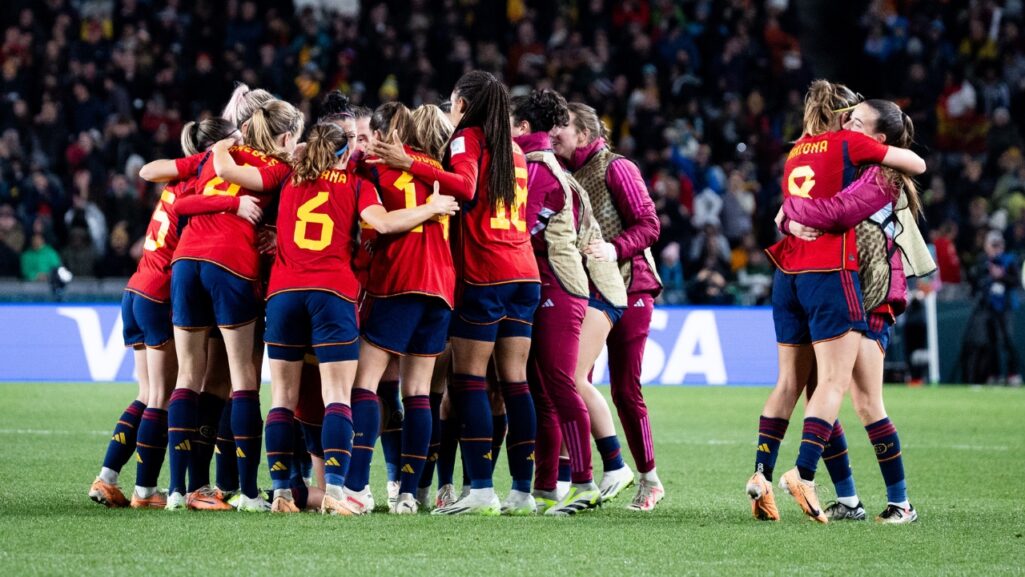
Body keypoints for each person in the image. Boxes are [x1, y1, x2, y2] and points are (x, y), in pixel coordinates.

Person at [260, 121, 457, 514]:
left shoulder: (287, 177)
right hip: (332, 294)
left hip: (282, 294)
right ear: (342, 152)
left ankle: (282, 492)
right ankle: (336, 493)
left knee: (282, 397)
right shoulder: (355, 183)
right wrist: (431, 208)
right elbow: (383, 223)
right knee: (337, 395)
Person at [368, 70, 540, 516]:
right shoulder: (514, 149)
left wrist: (409, 163)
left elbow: (463, 186)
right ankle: (523, 491)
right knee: (514, 381)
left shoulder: (468, 139)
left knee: (468, 380)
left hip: (487, 272)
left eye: (452, 102)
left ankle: (480, 488)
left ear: (463, 103)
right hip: (524, 271)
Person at [756, 81, 927, 524]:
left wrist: (791, 212)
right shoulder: (851, 159)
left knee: (866, 401)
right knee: (821, 392)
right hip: (839, 284)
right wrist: (789, 218)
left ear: (879, 137)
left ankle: (900, 502)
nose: (848, 123)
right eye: (847, 117)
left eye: (857, 121)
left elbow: (837, 212)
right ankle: (849, 500)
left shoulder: (883, 174)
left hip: (870, 294)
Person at [140, 99, 305, 511]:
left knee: (188, 376)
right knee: (242, 377)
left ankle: (178, 491)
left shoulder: (215, 155)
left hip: (185, 262)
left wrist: (217, 154)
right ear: (285, 137)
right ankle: (248, 493)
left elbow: (177, 198)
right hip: (231, 263)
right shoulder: (277, 168)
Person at [89, 118, 249, 509]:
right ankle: (145, 491)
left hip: (136, 288)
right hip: (160, 293)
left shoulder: (178, 181)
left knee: (148, 393)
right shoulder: (202, 185)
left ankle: (107, 478)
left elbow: (150, 172)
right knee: (161, 396)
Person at [551, 102, 666, 511]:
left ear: (584, 134)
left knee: (623, 388)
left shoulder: (617, 168)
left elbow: (650, 225)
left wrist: (613, 248)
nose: (554, 133)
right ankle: (569, 477)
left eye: (562, 126)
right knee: (571, 379)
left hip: (631, 286)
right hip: (590, 290)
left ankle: (648, 479)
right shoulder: (563, 172)